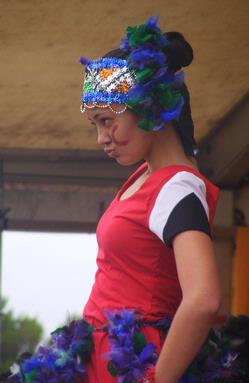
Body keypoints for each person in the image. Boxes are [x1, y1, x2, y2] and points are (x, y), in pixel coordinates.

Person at [5, 16, 248, 383]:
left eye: (106, 120)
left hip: (131, 367)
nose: (101, 137)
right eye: (95, 125)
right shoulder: (147, 176)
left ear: (150, 109)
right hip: (105, 357)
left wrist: (156, 380)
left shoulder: (177, 186)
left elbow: (204, 299)